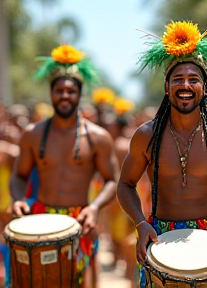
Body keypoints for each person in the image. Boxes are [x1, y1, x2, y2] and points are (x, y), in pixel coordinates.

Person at [116, 20, 207, 287]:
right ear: (166, 87)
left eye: (193, 79)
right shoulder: (146, 136)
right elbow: (125, 185)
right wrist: (139, 223)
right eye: (177, 79)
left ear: (204, 88)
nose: (185, 85)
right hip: (159, 237)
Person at [10, 44, 119, 288]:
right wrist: (18, 198)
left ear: (79, 94)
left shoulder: (98, 137)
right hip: (39, 220)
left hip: (81, 220)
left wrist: (94, 207)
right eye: (59, 90)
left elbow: (113, 180)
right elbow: (19, 176)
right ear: (51, 93)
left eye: (70, 91)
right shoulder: (33, 134)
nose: (64, 96)